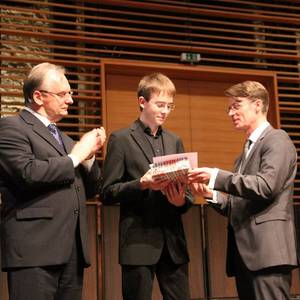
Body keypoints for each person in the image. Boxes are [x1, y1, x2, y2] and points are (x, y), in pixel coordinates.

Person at [0, 62, 106, 300]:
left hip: (71, 252)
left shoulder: (67, 141)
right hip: (34, 250)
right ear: (38, 96)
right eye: (63, 94)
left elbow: (89, 190)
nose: (70, 100)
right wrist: (77, 155)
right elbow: (28, 173)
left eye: (70, 93)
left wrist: (88, 158)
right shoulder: (10, 127)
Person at [188, 81, 298, 300]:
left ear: (258, 104)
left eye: (237, 105)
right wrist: (211, 194)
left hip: (267, 253)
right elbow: (238, 204)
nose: (231, 112)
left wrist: (217, 176)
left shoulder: (277, 139)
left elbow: (266, 186)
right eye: (229, 107)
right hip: (246, 255)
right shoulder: (244, 154)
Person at [101, 72, 194, 300]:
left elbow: (188, 194)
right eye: (160, 104)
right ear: (142, 102)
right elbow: (107, 192)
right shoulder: (121, 139)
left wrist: (181, 200)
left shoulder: (175, 140)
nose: (165, 111)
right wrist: (142, 184)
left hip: (173, 243)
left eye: (170, 106)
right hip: (138, 241)